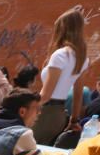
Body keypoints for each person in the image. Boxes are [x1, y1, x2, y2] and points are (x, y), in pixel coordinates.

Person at [35, 9, 90, 145]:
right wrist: (74, 120)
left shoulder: (60, 55)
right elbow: (78, 94)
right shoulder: (82, 58)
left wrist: (28, 107)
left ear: (62, 29)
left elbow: (46, 95)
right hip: (60, 114)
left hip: (45, 113)